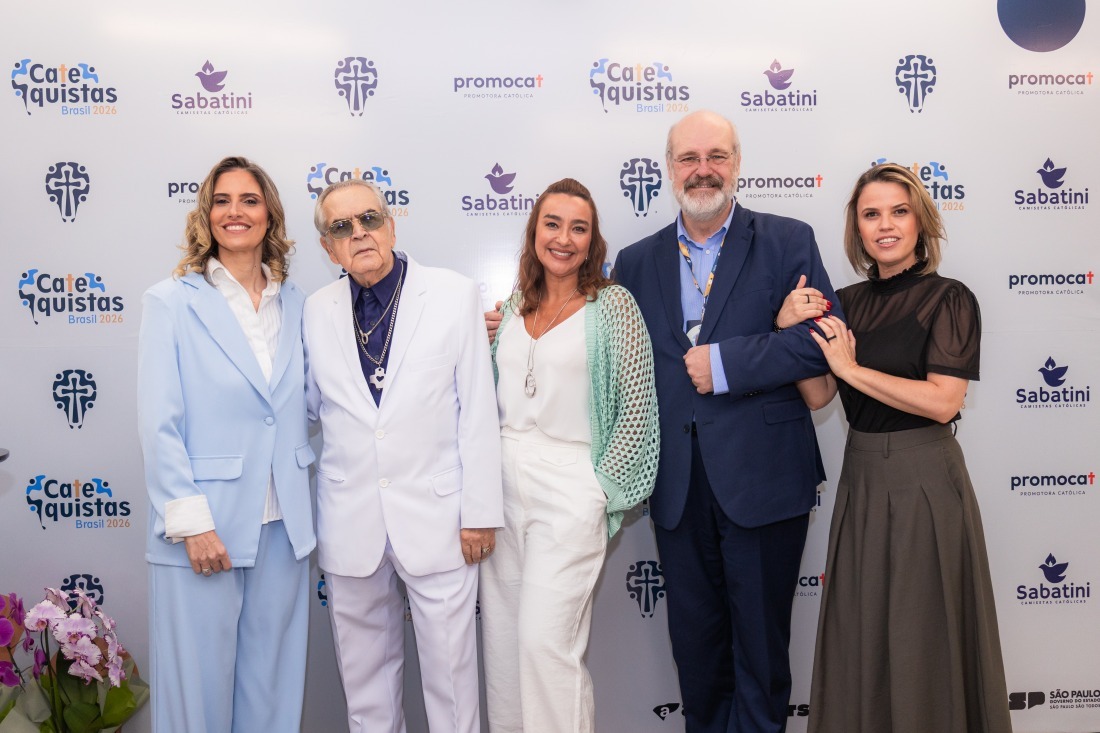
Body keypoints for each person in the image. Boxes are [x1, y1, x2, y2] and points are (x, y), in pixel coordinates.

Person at [612, 110, 842, 733]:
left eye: (716, 156)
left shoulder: (787, 240)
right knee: (698, 658)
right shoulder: (635, 262)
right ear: (670, 169)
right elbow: (606, 354)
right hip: (677, 488)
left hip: (765, 481)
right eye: (689, 158)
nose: (703, 169)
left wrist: (726, 362)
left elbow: (825, 342)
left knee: (761, 658)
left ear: (737, 164)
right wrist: (515, 322)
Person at [776, 163, 1011, 733]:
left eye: (899, 212)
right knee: (863, 630)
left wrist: (851, 369)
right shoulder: (844, 303)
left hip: (926, 477)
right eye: (871, 214)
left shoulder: (949, 298)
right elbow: (819, 394)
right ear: (857, 229)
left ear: (920, 222)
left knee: (925, 629)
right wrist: (786, 332)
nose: (885, 225)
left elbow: (943, 401)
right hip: (861, 476)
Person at [303, 178, 503, 733]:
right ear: (328, 248)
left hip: (441, 521)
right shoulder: (314, 311)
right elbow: (308, 407)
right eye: (341, 227)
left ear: (391, 226)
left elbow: (478, 411)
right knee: (364, 690)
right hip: (351, 521)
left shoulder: (453, 294)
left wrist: (480, 513)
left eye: (369, 219)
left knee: (453, 688)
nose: (359, 233)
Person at [137, 156, 315, 733]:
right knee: (196, 703)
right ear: (206, 215)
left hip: (283, 525)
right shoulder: (170, 301)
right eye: (222, 200)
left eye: (249, 200)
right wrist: (191, 523)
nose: (235, 212)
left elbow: (316, 401)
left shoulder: (298, 302)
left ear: (270, 215)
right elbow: (159, 424)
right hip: (203, 530)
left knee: (272, 698)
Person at [479, 178, 660, 733]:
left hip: (571, 485)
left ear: (592, 241)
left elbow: (637, 407)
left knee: (545, 646)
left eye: (578, 228)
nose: (563, 238)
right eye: (552, 224)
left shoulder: (613, 306)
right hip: (502, 486)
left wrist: (599, 490)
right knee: (505, 647)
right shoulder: (514, 306)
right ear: (534, 232)